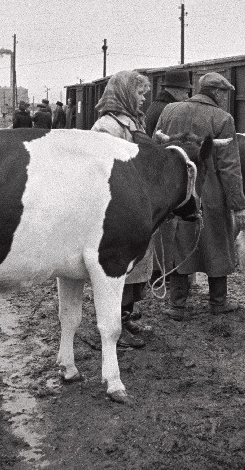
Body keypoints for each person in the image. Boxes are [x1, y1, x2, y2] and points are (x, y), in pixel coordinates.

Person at [155, 72, 245, 320]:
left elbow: (158, 149)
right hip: (210, 191)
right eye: (224, 93)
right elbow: (229, 166)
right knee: (216, 242)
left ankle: (177, 305)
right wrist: (239, 205)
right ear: (218, 92)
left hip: (178, 191)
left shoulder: (170, 110)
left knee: (180, 242)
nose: (225, 98)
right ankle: (218, 303)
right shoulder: (222, 118)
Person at [91, 70, 152, 348]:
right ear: (126, 94)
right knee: (118, 272)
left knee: (133, 270)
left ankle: (124, 318)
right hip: (117, 208)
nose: (143, 99)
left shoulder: (133, 122)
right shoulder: (107, 126)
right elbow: (105, 166)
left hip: (134, 204)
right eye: (139, 93)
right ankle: (114, 326)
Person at [144, 69, 192, 138]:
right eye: (186, 93)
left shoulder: (155, 104)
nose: (187, 97)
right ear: (177, 91)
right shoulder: (169, 110)